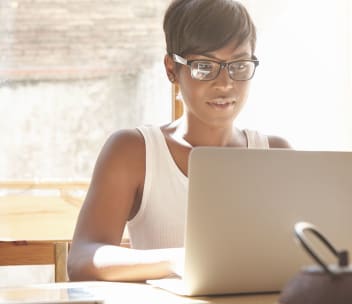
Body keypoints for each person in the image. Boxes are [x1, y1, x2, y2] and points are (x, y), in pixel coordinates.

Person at [67, 0, 290, 282]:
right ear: (171, 68)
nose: (224, 83)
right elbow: (82, 259)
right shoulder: (133, 151)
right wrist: (180, 260)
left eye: (239, 65)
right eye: (204, 67)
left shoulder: (276, 153)